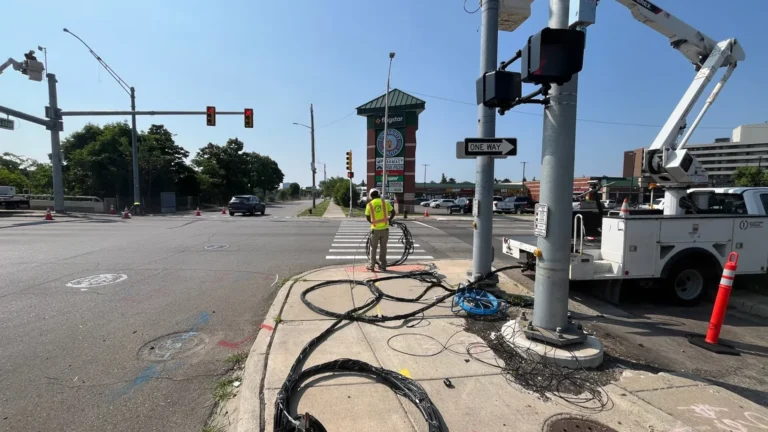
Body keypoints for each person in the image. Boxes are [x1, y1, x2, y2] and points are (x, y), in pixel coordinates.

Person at [364, 188, 395, 271]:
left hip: (375, 229)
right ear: (379, 194)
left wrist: (372, 222)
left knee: (373, 248)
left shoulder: (369, 205)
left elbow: (367, 217)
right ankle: (382, 265)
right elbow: (393, 212)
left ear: (370, 196)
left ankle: (372, 265)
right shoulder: (385, 203)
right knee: (383, 247)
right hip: (385, 229)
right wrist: (389, 220)